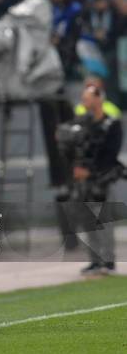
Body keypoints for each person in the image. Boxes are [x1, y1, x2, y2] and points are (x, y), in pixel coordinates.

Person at [60, 85, 123, 276]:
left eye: (87, 98)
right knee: (87, 221)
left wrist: (91, 171)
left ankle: (108, 261)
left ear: (98, 99)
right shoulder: (80, 124)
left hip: (101, 179)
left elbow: (111, 153)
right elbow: (71, 149)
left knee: (103, 221)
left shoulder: (111, 124)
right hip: (82, 180)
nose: (84, 102)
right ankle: (94, 261)